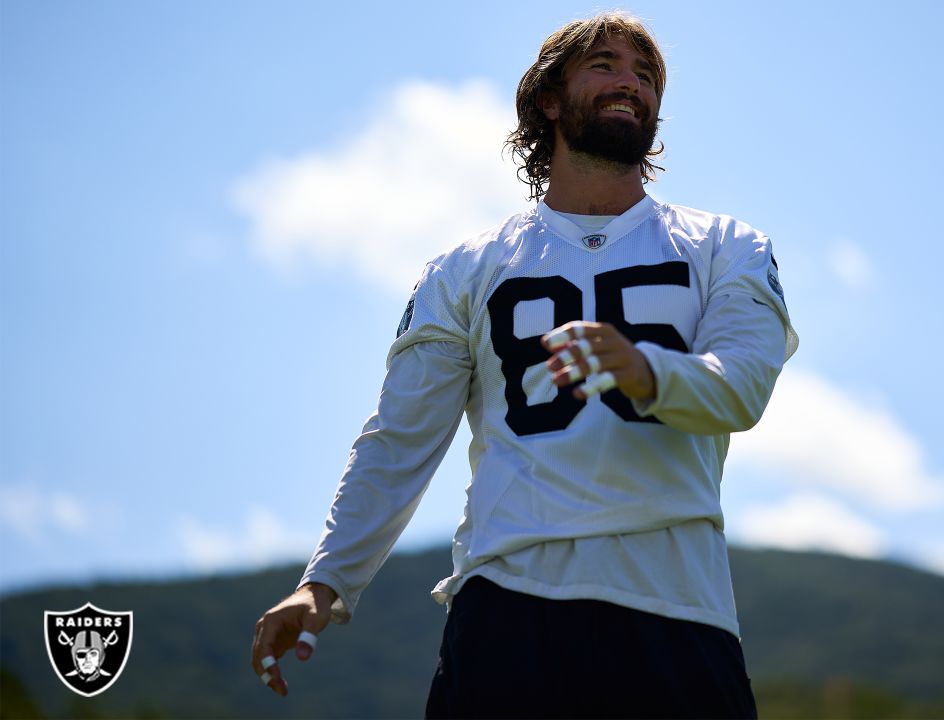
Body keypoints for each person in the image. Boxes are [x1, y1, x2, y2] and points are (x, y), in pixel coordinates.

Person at [250, 11, 798, 718]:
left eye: (646, 73)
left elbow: (743, 387)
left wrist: (646, 371)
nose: (630, 81)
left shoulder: (729, 246)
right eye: (604, 64)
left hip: (677, 610)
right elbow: (398, 438)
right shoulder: (464, 270)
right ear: (547, 97)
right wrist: (325, 582)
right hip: (508, 616)